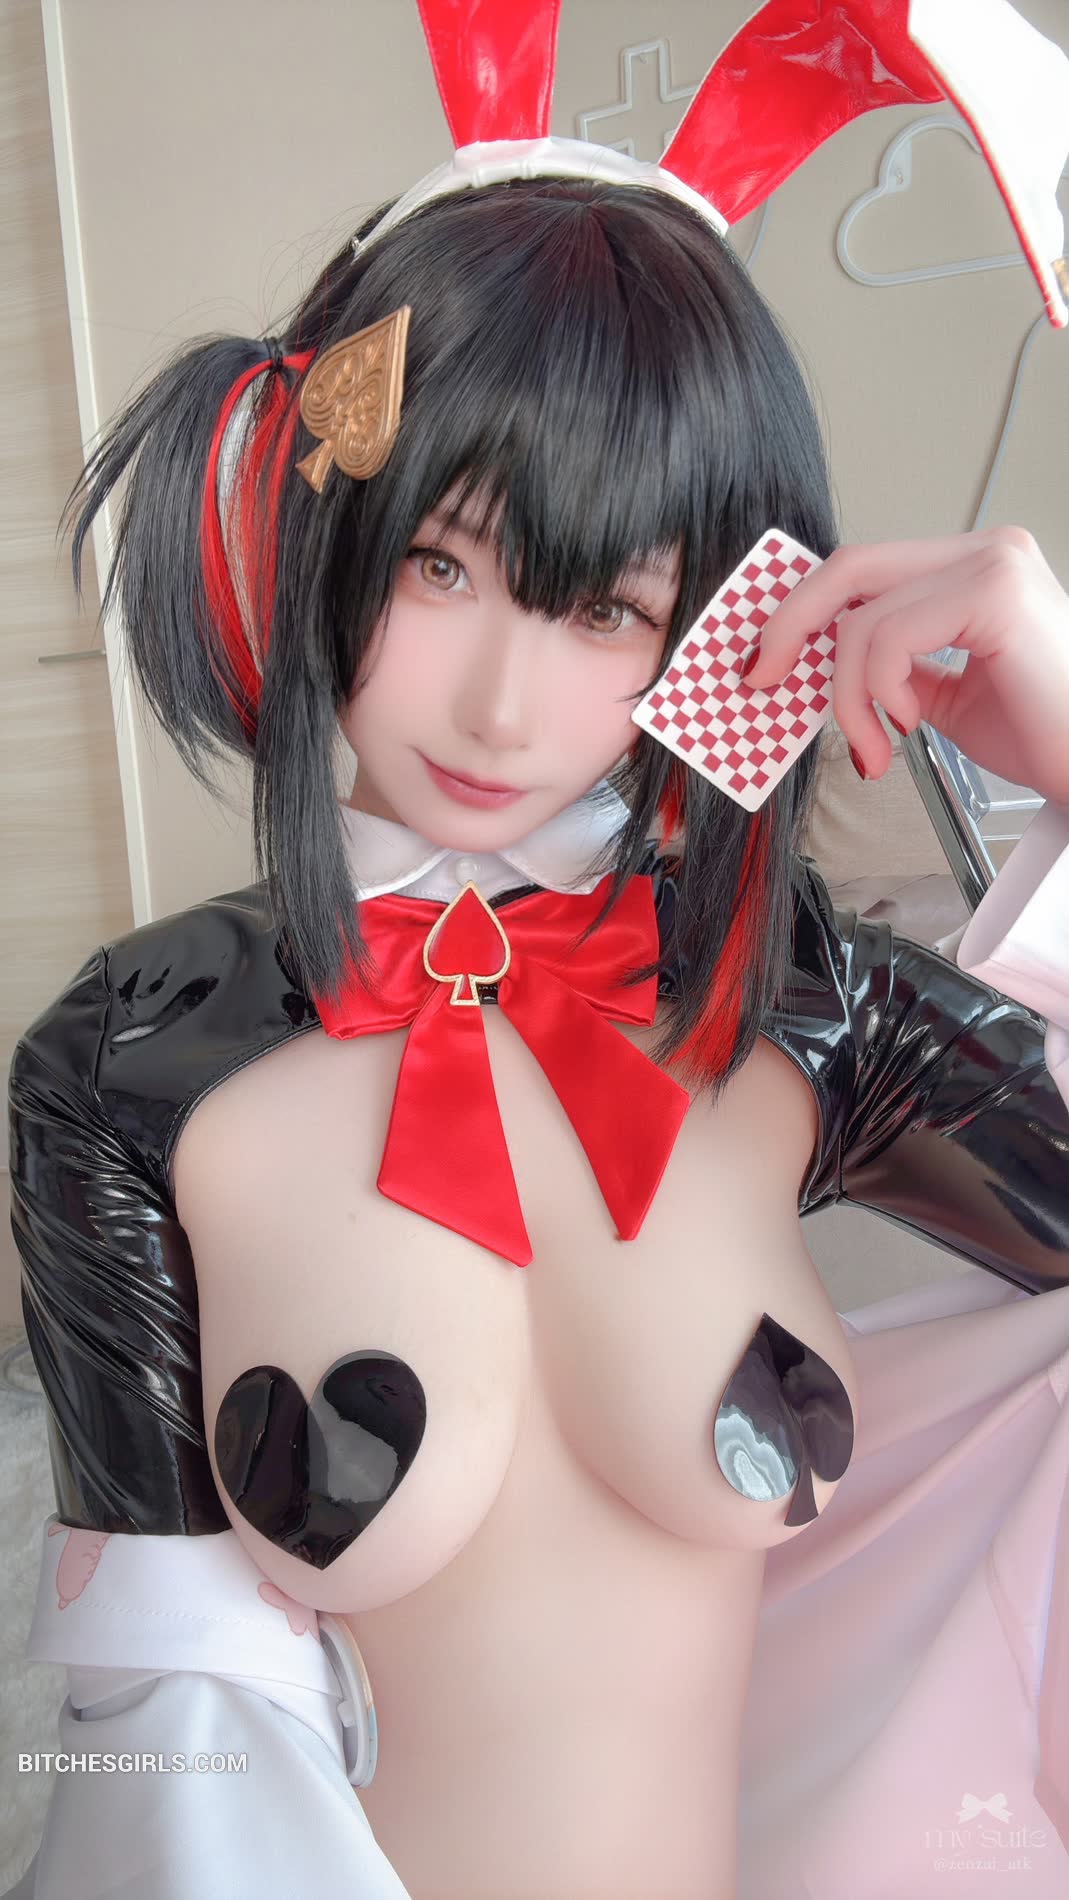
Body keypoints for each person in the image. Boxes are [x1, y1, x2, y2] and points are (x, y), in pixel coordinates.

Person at [8, 3, 1069, 1895]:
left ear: (722, 617)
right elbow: (157, 1740)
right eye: (442, 566)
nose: (502, 706)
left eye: (608, 609)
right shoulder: (128, 1062)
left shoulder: (792, 998)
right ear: (316, 525)